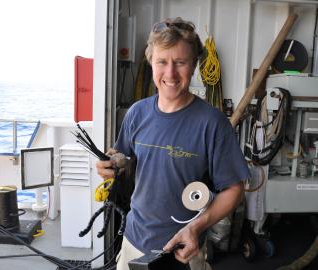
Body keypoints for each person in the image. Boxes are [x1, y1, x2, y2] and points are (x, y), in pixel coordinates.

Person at [96, 17, 250, 270]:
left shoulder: (212, 123)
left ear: (193, 66)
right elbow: (119, 158)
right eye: (162, 62)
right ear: (151, 63)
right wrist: (110, 166)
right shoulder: (137, 113)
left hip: (184, 249)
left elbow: (234, 189)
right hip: (134, 241)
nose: (170, 73)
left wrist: (195, 228)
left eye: (180, 62)